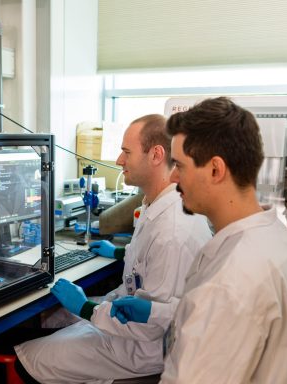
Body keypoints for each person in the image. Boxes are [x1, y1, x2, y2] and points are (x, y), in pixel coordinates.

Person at [14, 114, 212, 383]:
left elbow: (150, 325)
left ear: (156, 155)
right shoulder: (158, 205)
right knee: (52, 319)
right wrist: (118, 252)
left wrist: (84, 308)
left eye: (126, 152)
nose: (119, 161)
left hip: (142, 348)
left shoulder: (173, 231)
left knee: (29, 359)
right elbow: (147, 261)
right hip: (130, 322)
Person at [110, 97, 287, 383]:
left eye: (180, 165)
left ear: (215, 170)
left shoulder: (227, 283)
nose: (172, 177)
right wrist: (161, 313)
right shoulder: (275, 238)